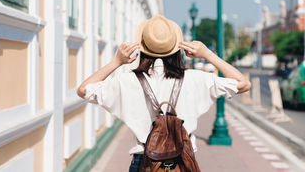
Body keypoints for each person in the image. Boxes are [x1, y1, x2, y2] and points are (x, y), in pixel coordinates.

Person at [77, 15, 251, 171]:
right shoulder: (195, 79)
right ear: (177, 48)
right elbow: (243, 84)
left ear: (142, 47)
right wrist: (207, 55)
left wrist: (116, 62)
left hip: (144, 162)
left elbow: (84, 90)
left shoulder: (127, 81)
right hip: (183, 162)